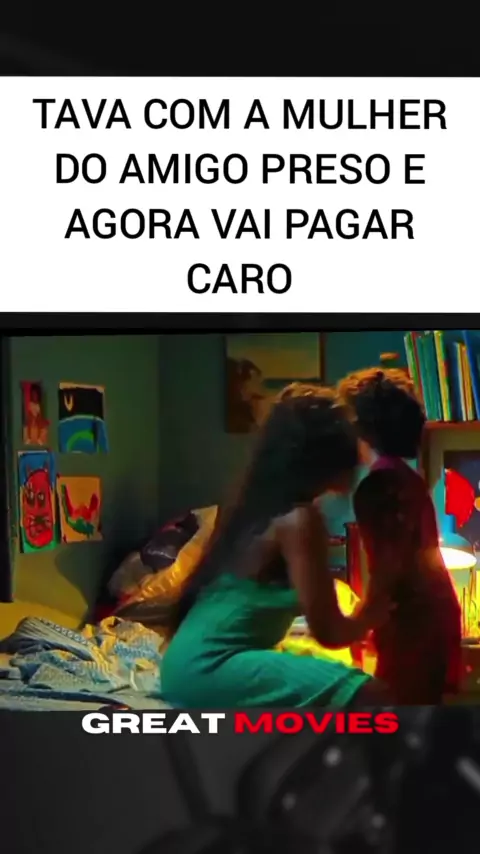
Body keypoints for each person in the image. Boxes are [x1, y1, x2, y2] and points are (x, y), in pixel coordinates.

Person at [161, 383, 392, 709]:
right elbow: (329, 632)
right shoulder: (299, 520)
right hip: (210, 668)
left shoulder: (255, 511)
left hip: (182, 666)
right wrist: (368, 616)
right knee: (373, 695)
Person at [337, 368, 462, 704]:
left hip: (412, 626)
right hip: (429, 620)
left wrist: (360, 624)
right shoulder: (402, 476)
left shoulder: (380, 484)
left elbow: (387, 568)